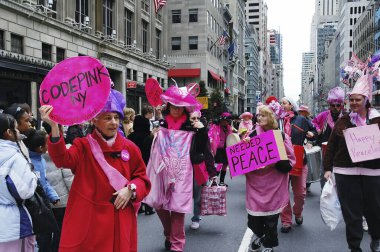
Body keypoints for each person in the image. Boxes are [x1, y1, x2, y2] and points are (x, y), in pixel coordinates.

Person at [39, 89, 151, 252]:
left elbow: (142, 179)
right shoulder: (82, 145)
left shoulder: (130, 148)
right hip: (90, 220)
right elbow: (62, 159)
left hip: (120, 217)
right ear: (94, 120)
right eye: (107, 118)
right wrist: (55, 127)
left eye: (116, 117)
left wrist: (131, 189)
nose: (113, 122)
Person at [324, 72, 380, 252]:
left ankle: (376, 237)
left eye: (358, 99)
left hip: (373, 172)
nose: (354, 103)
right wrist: (327, 169)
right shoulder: (343, 121)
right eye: (352, 100)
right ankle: (354, 247)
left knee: (374, 210)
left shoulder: (378, 120)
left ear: (366, 99)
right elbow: (331, 146)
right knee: (352, 214)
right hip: (345, 172)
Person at [144, 85, 203, 252]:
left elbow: (200, 148)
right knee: (158, 204)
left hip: (182, 172)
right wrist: (153, 136)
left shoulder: (191, 126)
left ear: (185, 108)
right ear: (168, 106)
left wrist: (201, 130)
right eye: (173, 106)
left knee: (177, 208)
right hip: (161, 170)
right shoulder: (160, 124)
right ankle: (169, 232)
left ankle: (177, 244)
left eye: (180, 107)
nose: (177, 109)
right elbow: (147, 147)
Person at [245, 105, 295, 252]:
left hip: (275, 184)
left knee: (272, 220)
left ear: (271, 117)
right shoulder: (251, 134)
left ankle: (269, 245)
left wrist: (275, 160)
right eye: (258, 115)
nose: (259, 117)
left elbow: (291, 160)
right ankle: (260, 236)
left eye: (264, 115)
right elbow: (242, 161)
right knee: (253, 220)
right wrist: (244, 145)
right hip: (256, 184)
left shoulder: (280, 135)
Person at [0, 113, 38, 251]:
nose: (18, 131)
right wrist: (33, 177)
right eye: (15, 129)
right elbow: (25, 191)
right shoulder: (14, 157)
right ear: (9, 132)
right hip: (12, 224)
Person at [279, 97, 316, 233]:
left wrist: (313, 136)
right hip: (281, 161)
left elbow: (315, 132)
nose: (282, 105)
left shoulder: (301, 119)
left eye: (284, 103)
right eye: (280, 103)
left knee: (300, 192)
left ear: (291, 105)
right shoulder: (276, 120)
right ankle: (286, 221)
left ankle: (298, 212)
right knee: (282, 194)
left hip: (299, 159)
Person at [24, 129, 60, 252]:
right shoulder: (28, 163)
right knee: (41, 238)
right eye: (47, 143)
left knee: (47, 235)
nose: (49, 144)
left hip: (43, 204)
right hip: (34, 206)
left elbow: (45, 182)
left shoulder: (42, 160)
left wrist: (53, 196)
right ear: (40, 148)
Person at [43, 122, 74, 252]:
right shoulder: (64, 150)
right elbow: (69, 178)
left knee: (51, 230)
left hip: (49, 198)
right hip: (64, 199)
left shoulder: (41, 149)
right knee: (62, 230)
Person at [188, 110, 217, 230]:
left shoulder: (202, 133)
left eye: (197, 118)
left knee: (198, 194)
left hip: (197, 168)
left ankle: (196, 217)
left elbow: (208, 153)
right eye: (192, 119)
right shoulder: (182, 131)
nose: (195, 121)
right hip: (182, 168)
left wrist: (212, 173)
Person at [312, 86, 345, 189]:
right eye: (332, 105)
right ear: (329, 105)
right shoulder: (324, 115)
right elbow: (313, 122)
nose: (335, 107)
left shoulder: (345, 118)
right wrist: (317, 129)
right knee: (324, 174)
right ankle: (324, 195)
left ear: (342, 105)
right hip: (325, 150)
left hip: (340, 151)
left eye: (338, 105)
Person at [128, 115, 156, 215]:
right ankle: (148, 207)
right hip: (146, 164)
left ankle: (138, 206)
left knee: (135, 184)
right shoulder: (148, 138)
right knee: (146, 185)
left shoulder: (130, 137)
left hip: (132, 165)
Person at [208, 112, 233, 186]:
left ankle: (221, 181)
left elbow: (231, 137)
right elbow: (210, 136)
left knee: (225, 164)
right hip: (218, 149)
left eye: (227, 121)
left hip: (226, 148)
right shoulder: (215, 127)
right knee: (219, 164)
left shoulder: (229, 127)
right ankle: (214, 181)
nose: (225, 122)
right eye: (224, 121)